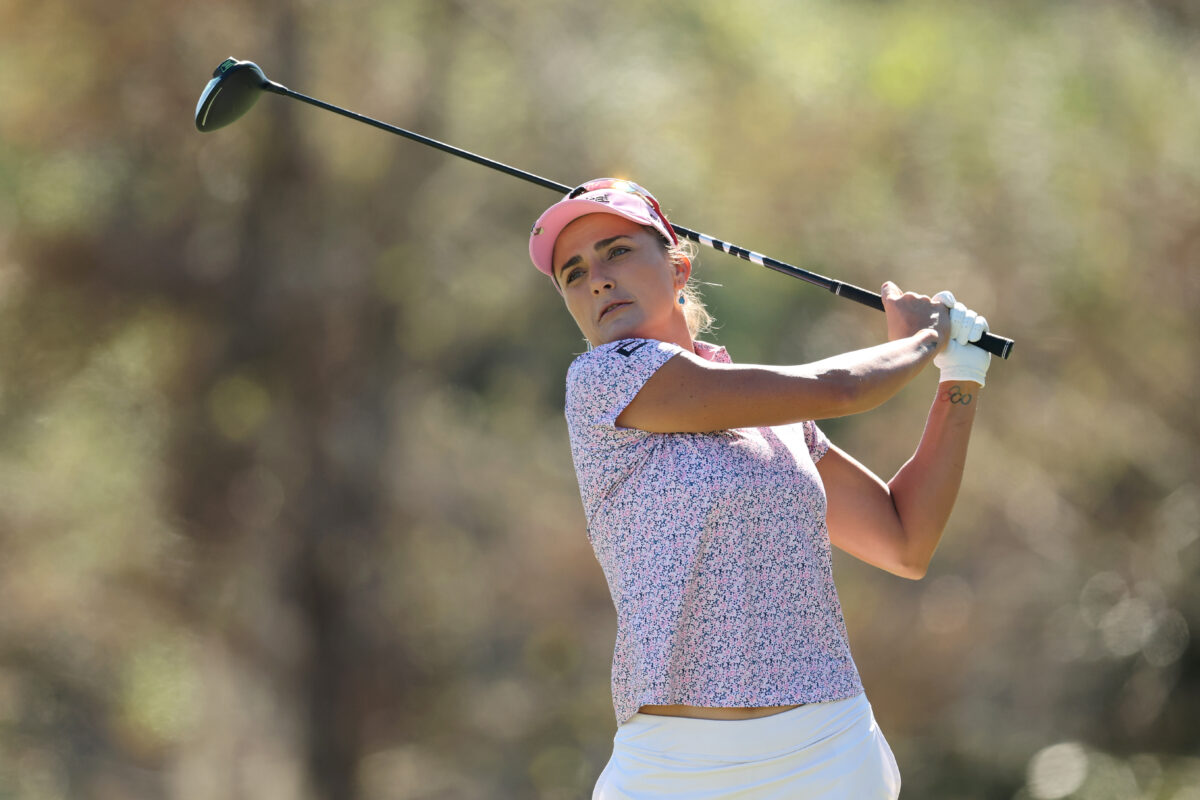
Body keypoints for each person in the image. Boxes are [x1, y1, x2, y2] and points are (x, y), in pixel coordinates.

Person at [528, 179, 992, 799]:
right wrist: (923, 338)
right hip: (674, 769)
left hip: (828, 751)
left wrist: (960, 375)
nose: (597, 280)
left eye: (616, 251)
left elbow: (904, 541)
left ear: (677, 266)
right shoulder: (600, 383)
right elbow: (842, 387)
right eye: (573, 273)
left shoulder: (773, 413)